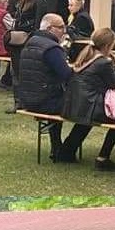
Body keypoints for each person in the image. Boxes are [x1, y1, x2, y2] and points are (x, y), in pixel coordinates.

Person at [58, 28, 115, 171]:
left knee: (85, 122)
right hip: (90, 106)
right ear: (108, 46)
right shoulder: (103, 62)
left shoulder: (85, 56)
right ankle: (103, 157)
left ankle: (66, 151)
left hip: (74, 104)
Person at [16, 13, 74, 145]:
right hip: (45, 101)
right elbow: (66, 75)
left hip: (26, 99)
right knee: (87, 108)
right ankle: (68, 149)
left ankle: (57, 146)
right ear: (49, 29)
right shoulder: (52, 48)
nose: (64, 31)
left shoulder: (30, 42)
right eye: (60, 27)